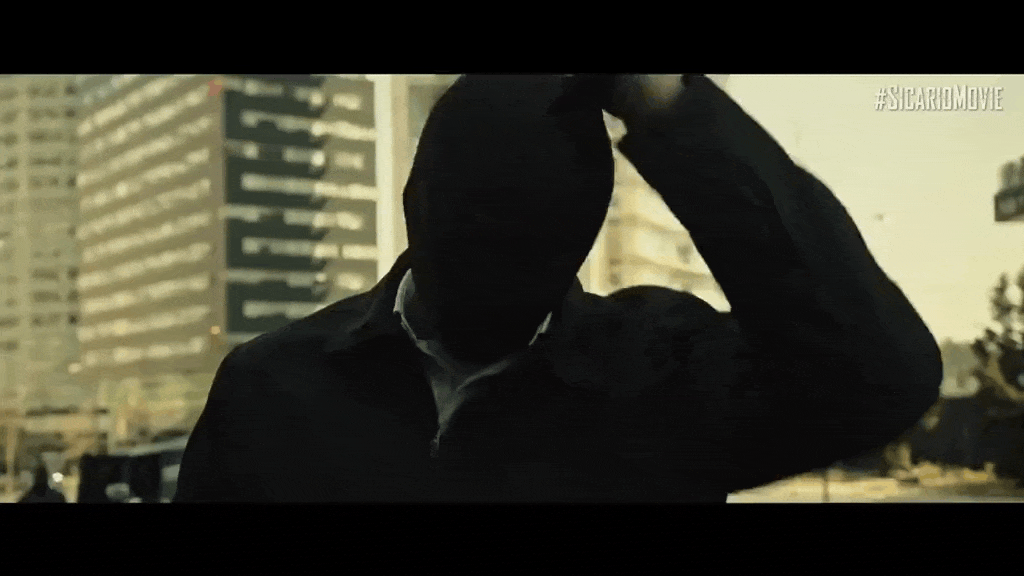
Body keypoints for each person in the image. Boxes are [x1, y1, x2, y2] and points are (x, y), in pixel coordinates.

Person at [174, 74, 942, 502]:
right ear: (416, 206)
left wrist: (669, 103)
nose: (496, 280)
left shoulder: (662, 372)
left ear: (579, 240)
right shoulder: (270, 387)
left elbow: (877, 379)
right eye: (475, 233)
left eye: (533, 245)